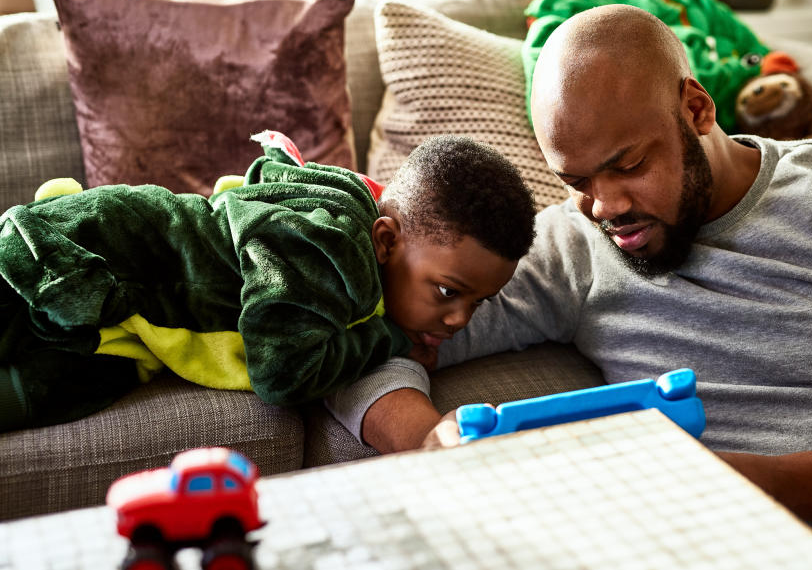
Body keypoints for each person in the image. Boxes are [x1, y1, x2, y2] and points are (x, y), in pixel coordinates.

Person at [326, 5, 812, 569]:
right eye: (575, 179)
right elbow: (356, 332)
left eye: (627, 165)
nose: (606, 207)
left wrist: (776, 483)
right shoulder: (569, 248)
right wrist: (427, 441)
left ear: (695, 109)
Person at [0, 133, 536, 432]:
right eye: (447, 291)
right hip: (79, 256)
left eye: (478, 302)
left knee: (53, 393)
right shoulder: (331, 250)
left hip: (116, 325)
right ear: (385, 241)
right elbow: (282, 372)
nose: (460, 319)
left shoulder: (351, 218)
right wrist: (393, 340)